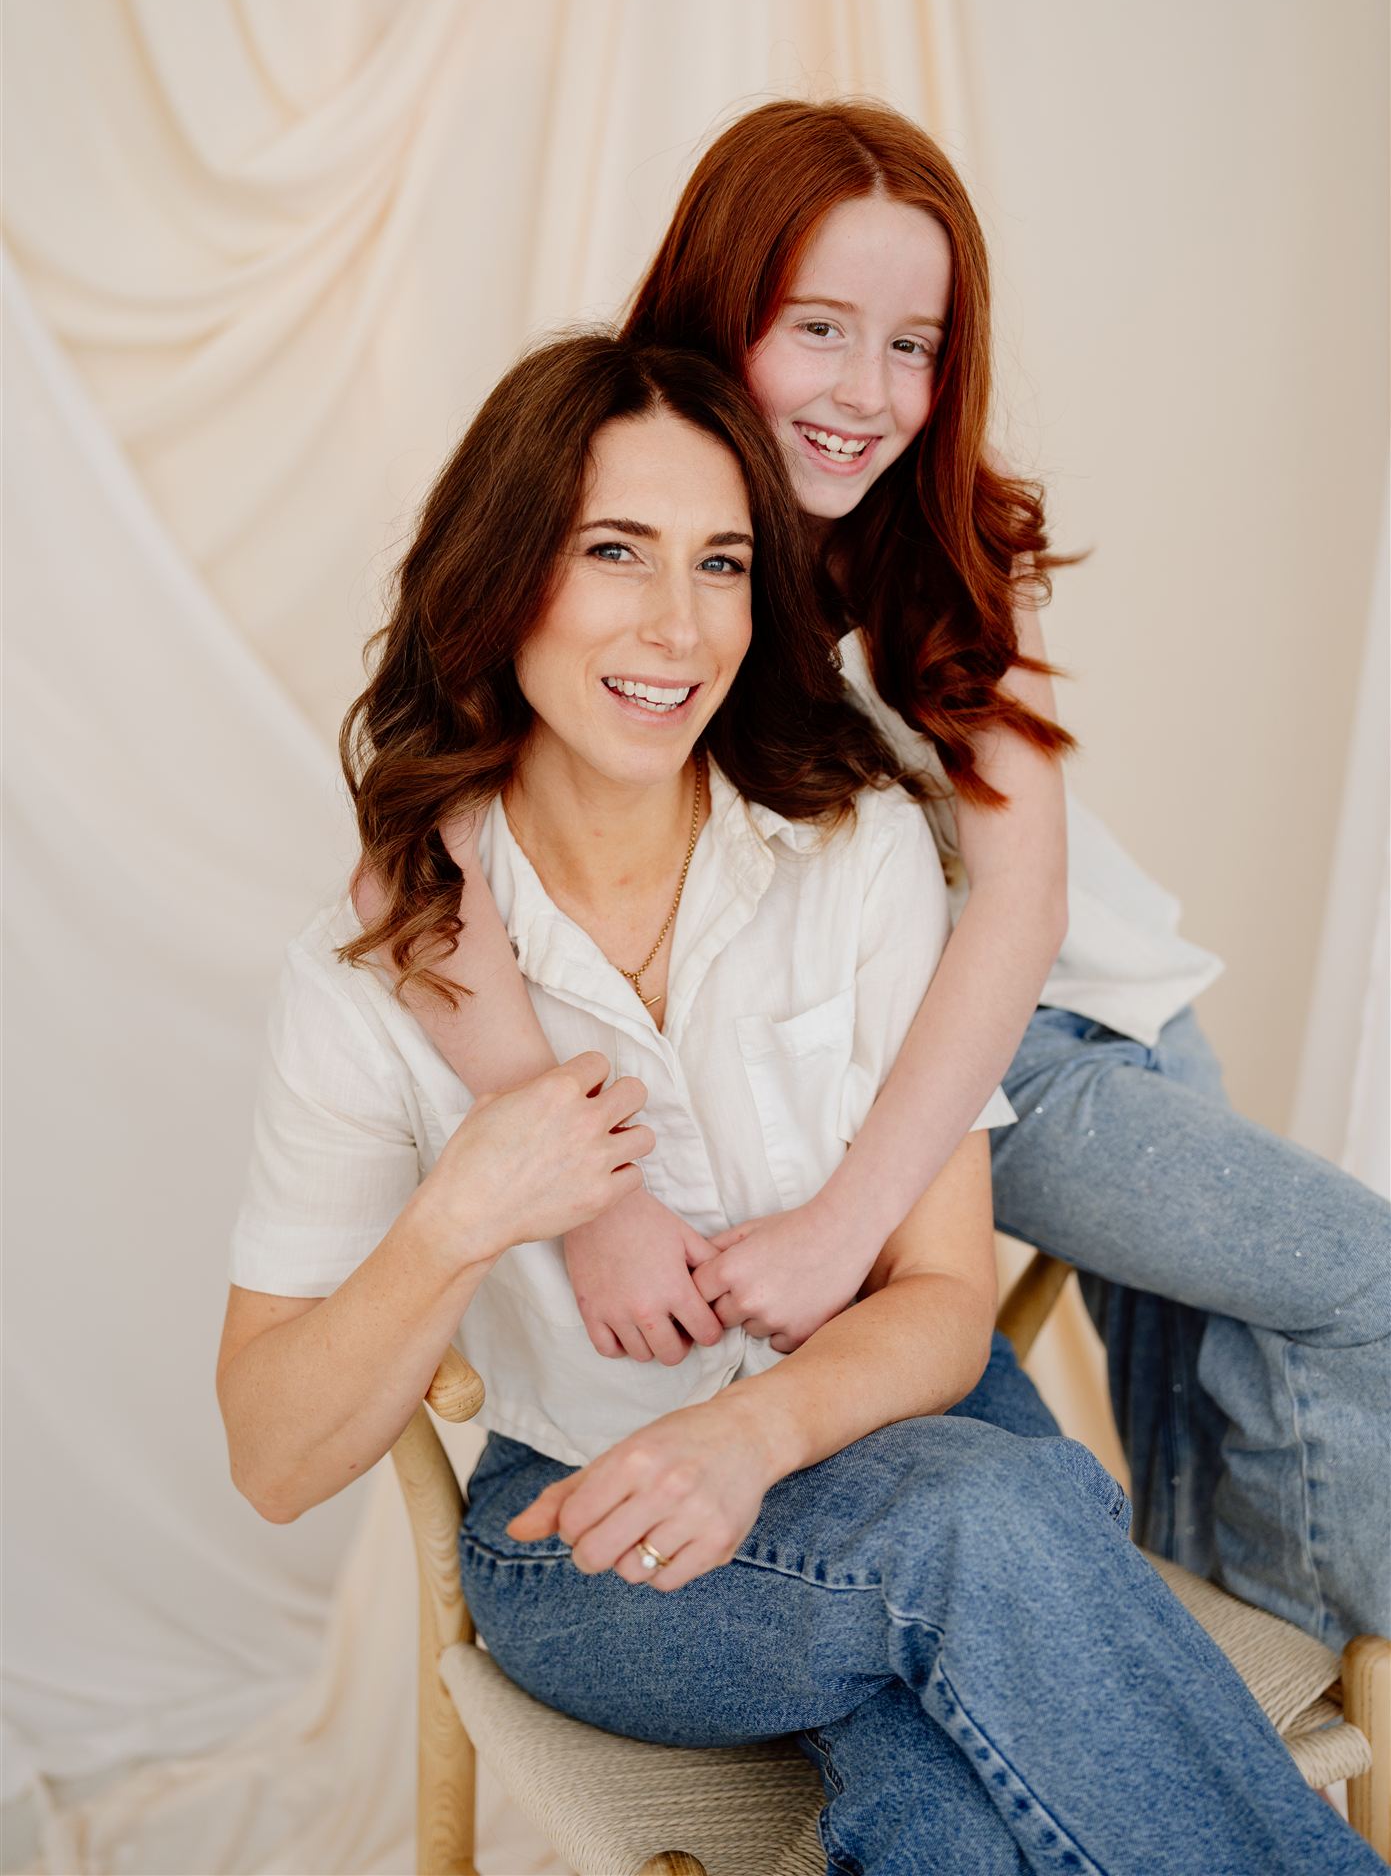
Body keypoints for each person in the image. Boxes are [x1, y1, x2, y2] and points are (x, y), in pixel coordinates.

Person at [220, 333, 1376, 1874]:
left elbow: (946, 1297)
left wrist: (754, 1434)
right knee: (1001, 1527)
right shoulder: (384, 964)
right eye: (613, 552)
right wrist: (463, 1216)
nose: (676, 624)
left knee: (953, 1804)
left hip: (916, 1438)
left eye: (723, 563)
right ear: (502, 582)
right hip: (592, 1539)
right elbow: (274, 1458)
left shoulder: (856, 855)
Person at [358, 99, 1390, 1650]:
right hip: (969, 1057)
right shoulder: (647, 529)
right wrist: (595, 1196)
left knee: (1214, 1354)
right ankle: (1218, 1690)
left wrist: (853, 1217)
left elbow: (1026, 905)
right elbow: (415, 844)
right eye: (819, 328)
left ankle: (1219, 1684)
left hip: (1104, 1011)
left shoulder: (938, 545)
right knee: (1360, 1278)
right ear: (724, 307)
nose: (869, 393)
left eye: (913, 345)